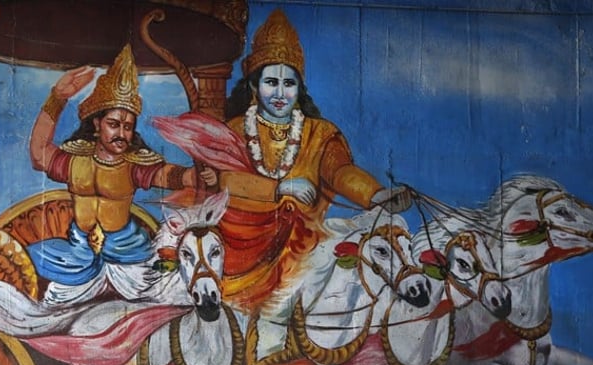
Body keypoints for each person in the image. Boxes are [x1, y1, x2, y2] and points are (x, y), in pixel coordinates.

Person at [154, 9, 411, 317]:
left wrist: (377, 195)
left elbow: (340, 172)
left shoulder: (318, 133)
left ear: (299, 89)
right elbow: (224, 181)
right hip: (240, 242)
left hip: (303, 244)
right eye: (271, 82)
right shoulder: (235, 130)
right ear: (253, 87)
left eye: (289, 83)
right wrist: (281, 188)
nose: (280, 93)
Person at [28, 44, 203, 306]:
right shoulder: (75, 160)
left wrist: (199, 175)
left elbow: (172, 177)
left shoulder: (135, 164)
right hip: (78, 255)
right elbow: (39, 153)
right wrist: (57, 97)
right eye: (114, 124)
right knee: (29, 269)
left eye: (128, 127)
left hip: (129, 255)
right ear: (97, 124)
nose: (122, 133)